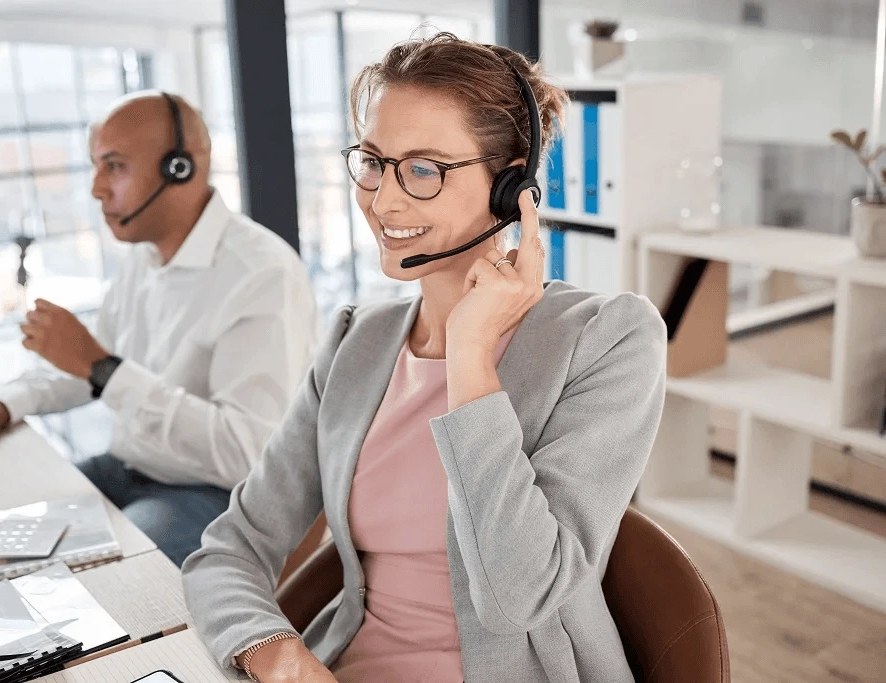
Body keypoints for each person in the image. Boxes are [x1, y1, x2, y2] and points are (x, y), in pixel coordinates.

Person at [182, 34, 667, 683]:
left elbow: (517, 597)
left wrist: (470, 356)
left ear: (510, 182)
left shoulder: (609, 338)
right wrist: (280, 654)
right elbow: (228, 548)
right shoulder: (358, 342)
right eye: (374, 161)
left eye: (423, 169)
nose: (383, 201)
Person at [0, 91, 319, 566]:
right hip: (129, 467)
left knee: (93, 583)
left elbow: (246, 454)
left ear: (180, 169)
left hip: (217, 496)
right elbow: (88, 365)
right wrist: (0, 404)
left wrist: (103, 368)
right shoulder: (145, 259)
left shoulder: (262, 275)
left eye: (115, 166)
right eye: (96, 167)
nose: (96, 189)